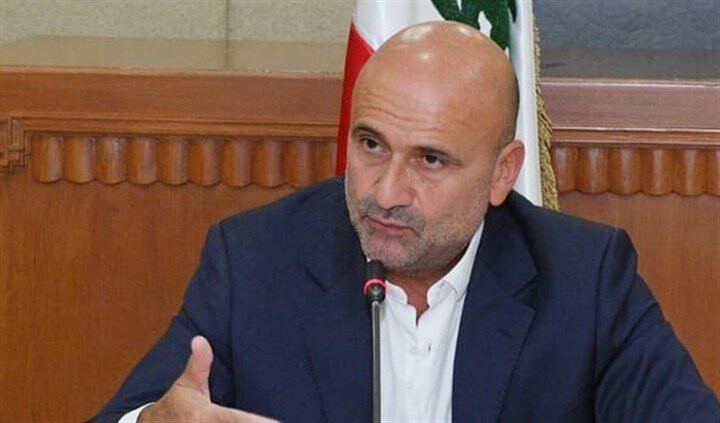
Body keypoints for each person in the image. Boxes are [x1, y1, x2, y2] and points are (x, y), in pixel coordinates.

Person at [94, 21, 719, 422]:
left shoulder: (585, 279)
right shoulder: (255, 260)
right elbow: (142, 411)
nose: (386, 192)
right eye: (371, 145)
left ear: (503, 173)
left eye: (430, 160)